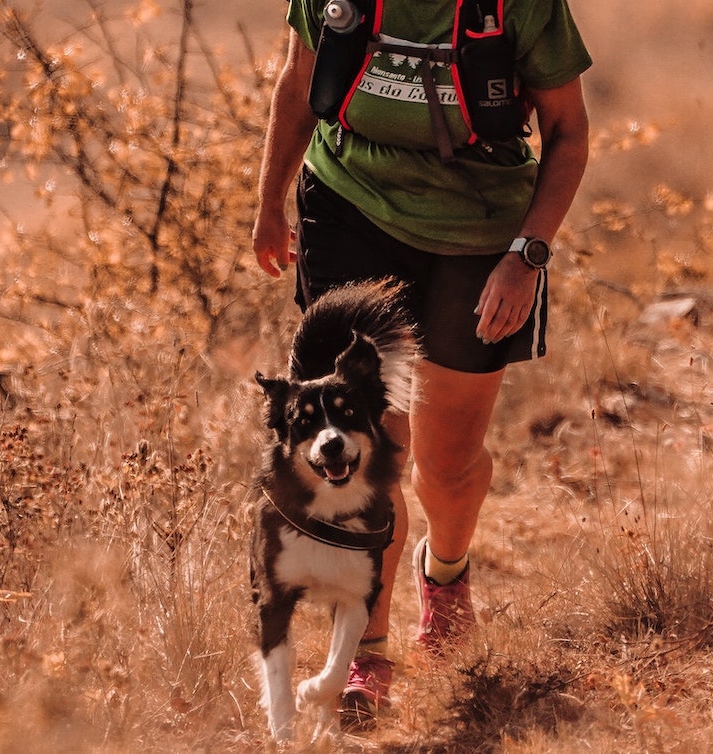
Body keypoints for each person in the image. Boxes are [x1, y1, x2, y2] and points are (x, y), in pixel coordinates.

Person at [250, 0, 591, 725]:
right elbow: (298, 77)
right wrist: (270, 202)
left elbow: (567, 130)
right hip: (349, 207)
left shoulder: (520, 6)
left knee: (449, 465)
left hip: (480, 230)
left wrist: (525, 258)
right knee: (375, 452)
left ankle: (446, 576)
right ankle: (365, 658)